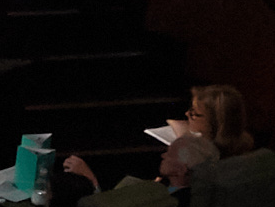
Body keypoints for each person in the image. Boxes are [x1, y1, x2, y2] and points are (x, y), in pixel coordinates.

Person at [60, 82, 248, 193]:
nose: (187, 115)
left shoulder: (198, 171)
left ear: (216, 123)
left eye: (194, 114)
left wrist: (91, 180)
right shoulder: (232, 154)